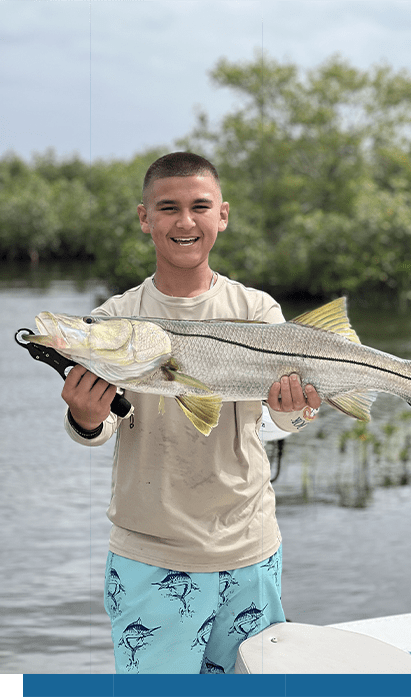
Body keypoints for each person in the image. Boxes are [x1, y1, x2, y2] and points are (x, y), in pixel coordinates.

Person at [61, 152, 322, 674]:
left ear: (222, 215)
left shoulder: (258, 310)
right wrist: (85, 418)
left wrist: (295, 411)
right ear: (145, 219)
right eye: (168, 208)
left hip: (250, 550)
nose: (185, 222)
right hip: (150, 555)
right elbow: (103, 423)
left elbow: (271, 426)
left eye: (199, 207)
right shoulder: (113, 319)